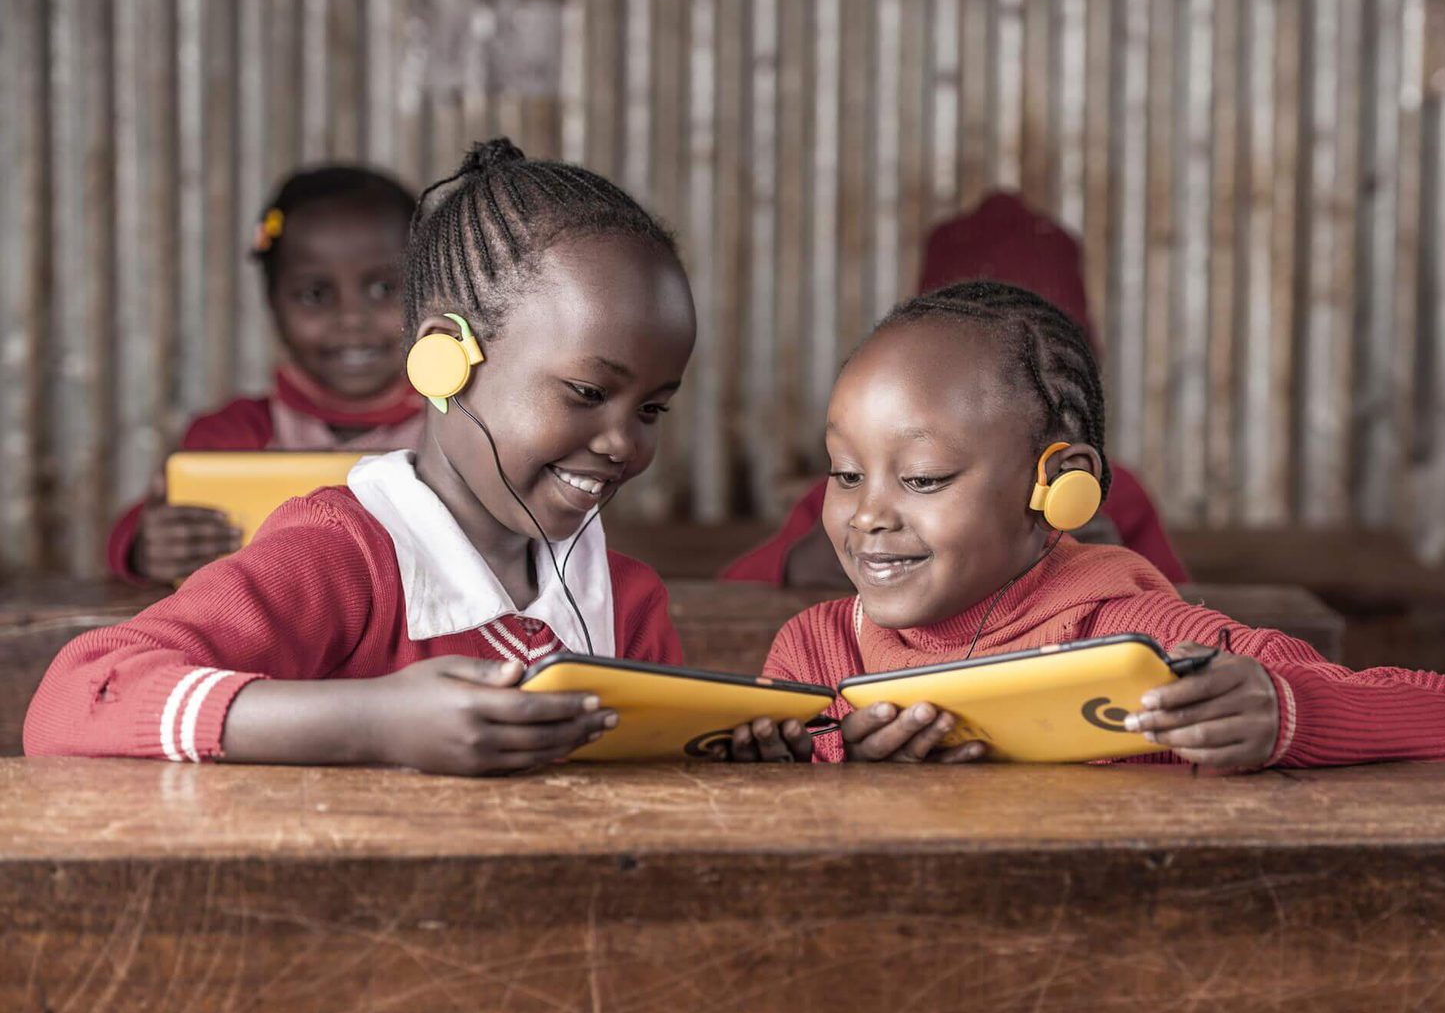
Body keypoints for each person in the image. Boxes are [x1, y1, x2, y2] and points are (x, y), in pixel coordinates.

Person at [27, 140, 697, 776]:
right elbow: (74, 700)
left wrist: (723, 746)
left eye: (651, 410)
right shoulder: (335, 558)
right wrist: (372, 721)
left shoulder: (626, 601)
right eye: (587, 393)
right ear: (444, 357)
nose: (624, 443)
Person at [726, 281, 1445, 769]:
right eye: (845, 473)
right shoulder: (818, 652)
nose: (867, 514)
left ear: (1058, 482)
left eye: (923, 478)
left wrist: (1287, 714)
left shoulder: (1146, 643)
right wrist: (818, 762)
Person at [720, 191, 1186, 587]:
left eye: (926, 478)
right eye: (923, 477)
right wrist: (832, 554)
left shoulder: (1114, 496)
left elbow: (1183, 622)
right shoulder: (861, 490)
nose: (869, 509)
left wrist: (1110, 567)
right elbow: (732, 596)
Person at [107, 164, 426, 584]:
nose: (351, 318)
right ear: (273, 304)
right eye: (315, 294)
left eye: (384, 288)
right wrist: (146, 547)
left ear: (431, 289)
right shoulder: (231, 437)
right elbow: (144, 525)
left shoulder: (466, 430)